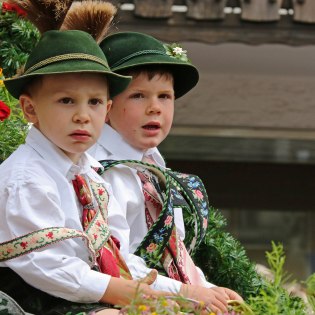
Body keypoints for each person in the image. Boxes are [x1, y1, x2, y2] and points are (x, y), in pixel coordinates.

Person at [0, 29, 166, 315]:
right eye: (66, 101)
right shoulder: (26, 179)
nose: (83, 115)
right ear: (29, 108)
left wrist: (184, 293)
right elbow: (46, 266)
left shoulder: (91, 177)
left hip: (85, 297)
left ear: (108, 109)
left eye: (95, 102)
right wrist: (125, 293)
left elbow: (120, 256)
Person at [88, 31, 243, 314]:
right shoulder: (97, 169)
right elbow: (114, 261)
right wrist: (189, 294)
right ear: (105, 106)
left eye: (165, 96)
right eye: (138, 96)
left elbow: (173, 253)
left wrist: (208, 290)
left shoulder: (154, 166)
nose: (155, 108)